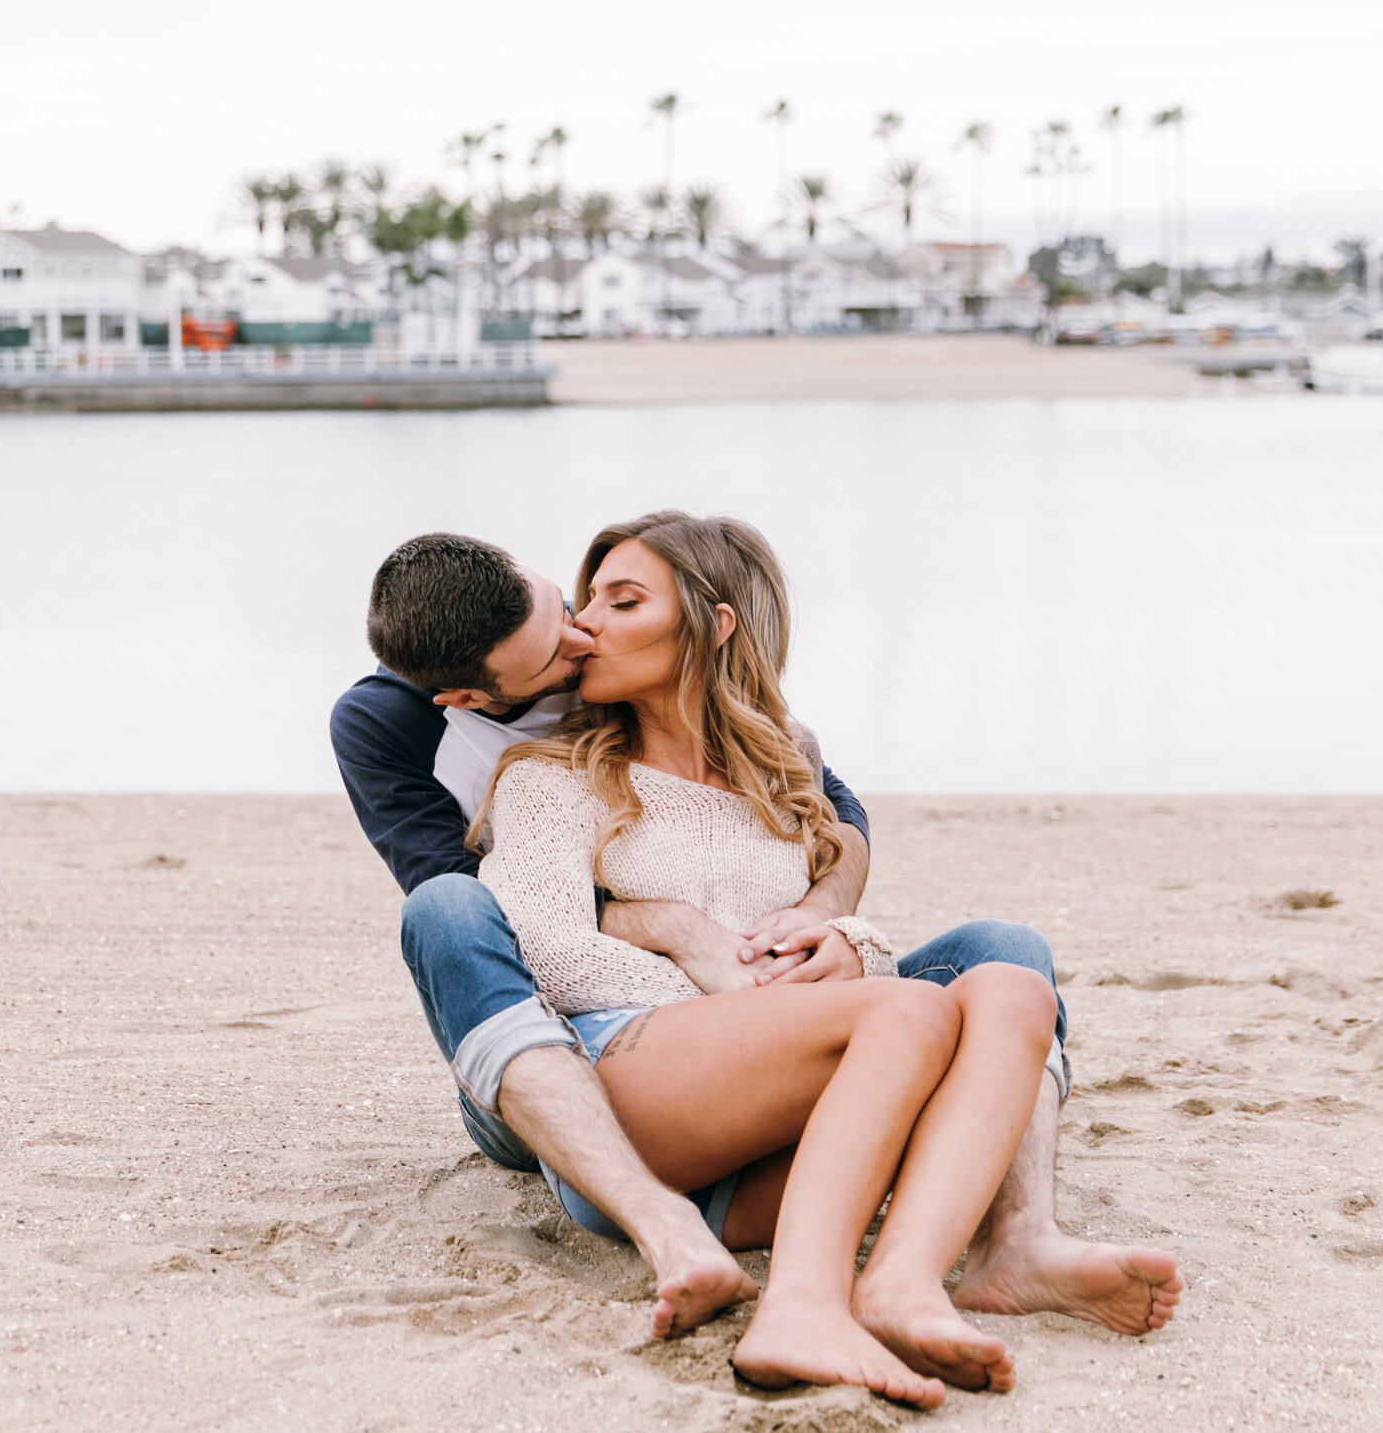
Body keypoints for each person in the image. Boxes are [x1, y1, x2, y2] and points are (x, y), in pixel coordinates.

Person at [329, 522, 1182, 1347]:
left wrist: (834, 933)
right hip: (576, 1054)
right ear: (471, 694)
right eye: (562, 641)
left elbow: (841, 825)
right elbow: (518, 931)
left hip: (770, 1059)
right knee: (446, 905)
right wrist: (707, 960)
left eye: (595, 604)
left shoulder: (776, 749)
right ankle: (696, 1236)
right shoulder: (475, 753)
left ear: (712, 624)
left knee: (1007, 958)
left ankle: (1014, 1238)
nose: (583, 635)